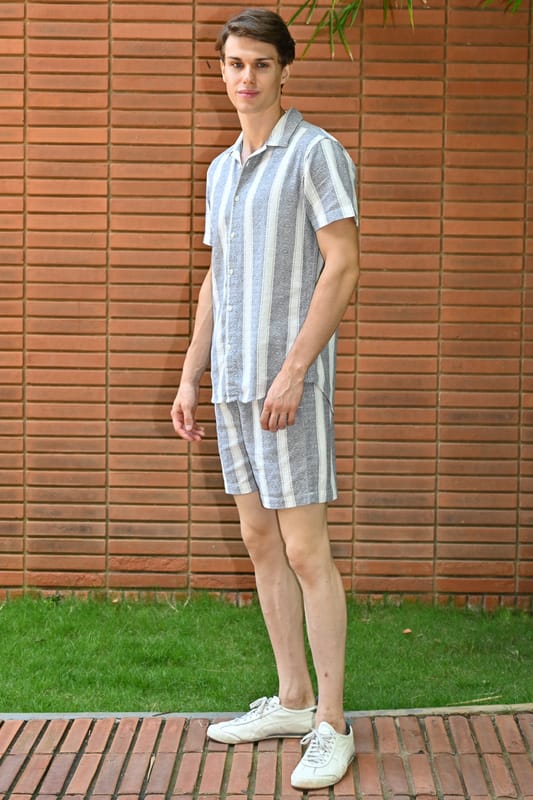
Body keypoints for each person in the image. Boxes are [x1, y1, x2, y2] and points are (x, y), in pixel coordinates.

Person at [171, 7, 359, 790]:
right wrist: (191, 374)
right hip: (232, 387)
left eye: (259, 63)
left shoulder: (315, 153)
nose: (244, 77)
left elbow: (342, 265)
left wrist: (293, 372)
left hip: (288, 388)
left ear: (284, 70)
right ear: (220, 71)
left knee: (306, 550)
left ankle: (331, 723)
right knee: (258, 541)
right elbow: (217, 279)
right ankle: (290, 699)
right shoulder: (221, 169)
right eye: (233, 64)